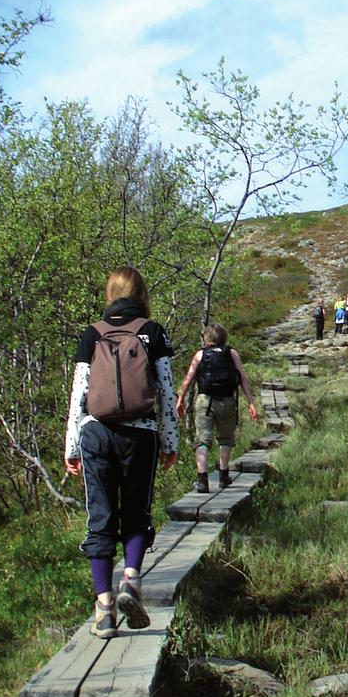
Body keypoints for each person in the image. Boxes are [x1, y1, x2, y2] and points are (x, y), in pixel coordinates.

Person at [64, 266, 179, 640]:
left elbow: (79, 395)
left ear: (109, 293)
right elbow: (165, 391)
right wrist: (170, 442)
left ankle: (105, 609)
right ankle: (131, 580)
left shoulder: (91, 334)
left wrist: (72, 447)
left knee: (100, 518)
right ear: (141, 293)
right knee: (136, 513)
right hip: (139, 434)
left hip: (95, 434)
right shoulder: (151, 332)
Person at [175, 323, 258, 494]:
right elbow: (242, 378)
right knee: (226, 439)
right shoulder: (232, 353)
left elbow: (188, 378)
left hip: (204, 401)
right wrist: (250, 403)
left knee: (202, 440)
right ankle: (223, 476)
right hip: (227, 401)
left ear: (206, 339)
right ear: (224, 337)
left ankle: (202, 480)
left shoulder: (200, 354)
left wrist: (180, 399)